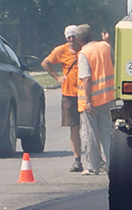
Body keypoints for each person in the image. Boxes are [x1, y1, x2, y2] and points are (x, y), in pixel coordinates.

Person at [42, 25, 87, 172]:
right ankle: (77, 160)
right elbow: (45, 63)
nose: (72, 39)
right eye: (69, 37)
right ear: (66, 38)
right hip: (69, 94)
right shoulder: (60, 50)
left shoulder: (85, 49)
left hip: (85, 94)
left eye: (74, 36)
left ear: (79, 37)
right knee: (74, 127)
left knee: (90, 127)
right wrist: (57, 77)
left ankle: (97, 159)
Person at [75, 26, 117, 175]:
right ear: (91, 35)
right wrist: (108, 41)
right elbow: (113, 61)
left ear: (79, 40)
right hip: (108, 97)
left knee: (90, 134)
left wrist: (88, 101)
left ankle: (93, 167)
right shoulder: (105, 46)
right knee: (107, 133)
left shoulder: (84, 53)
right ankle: (112, 165)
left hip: (92, 100)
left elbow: (86, 78)